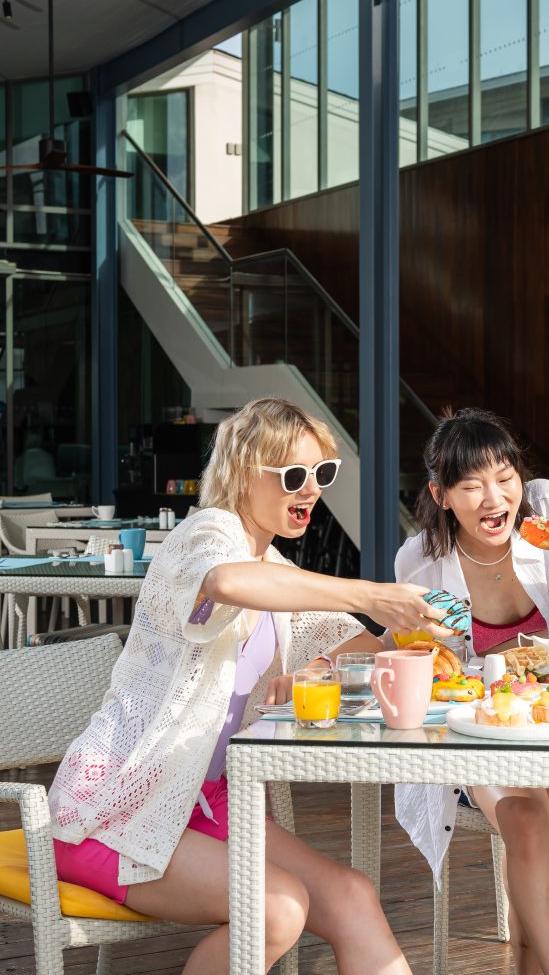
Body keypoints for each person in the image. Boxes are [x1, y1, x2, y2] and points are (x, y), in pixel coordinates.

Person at [48, 397, 452, 975]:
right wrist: (370, 593)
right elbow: (228, 582)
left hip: (205, 801)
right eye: (293, 475)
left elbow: (360, 647)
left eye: (322, 472)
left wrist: (427, 626)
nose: (311, 489)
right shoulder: (204, 535)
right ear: (242, 472)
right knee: (276, 909)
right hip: (114, 807)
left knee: (350, 896)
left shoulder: (276, 570)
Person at [395, 407, 549, 975]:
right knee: (530, 827)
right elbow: (425, 660)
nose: (495, 498)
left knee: (533, 841)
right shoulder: (421, 562)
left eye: (505, 478)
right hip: (484, 727)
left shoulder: (547, 508)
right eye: (471, 485)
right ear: (440, 494)